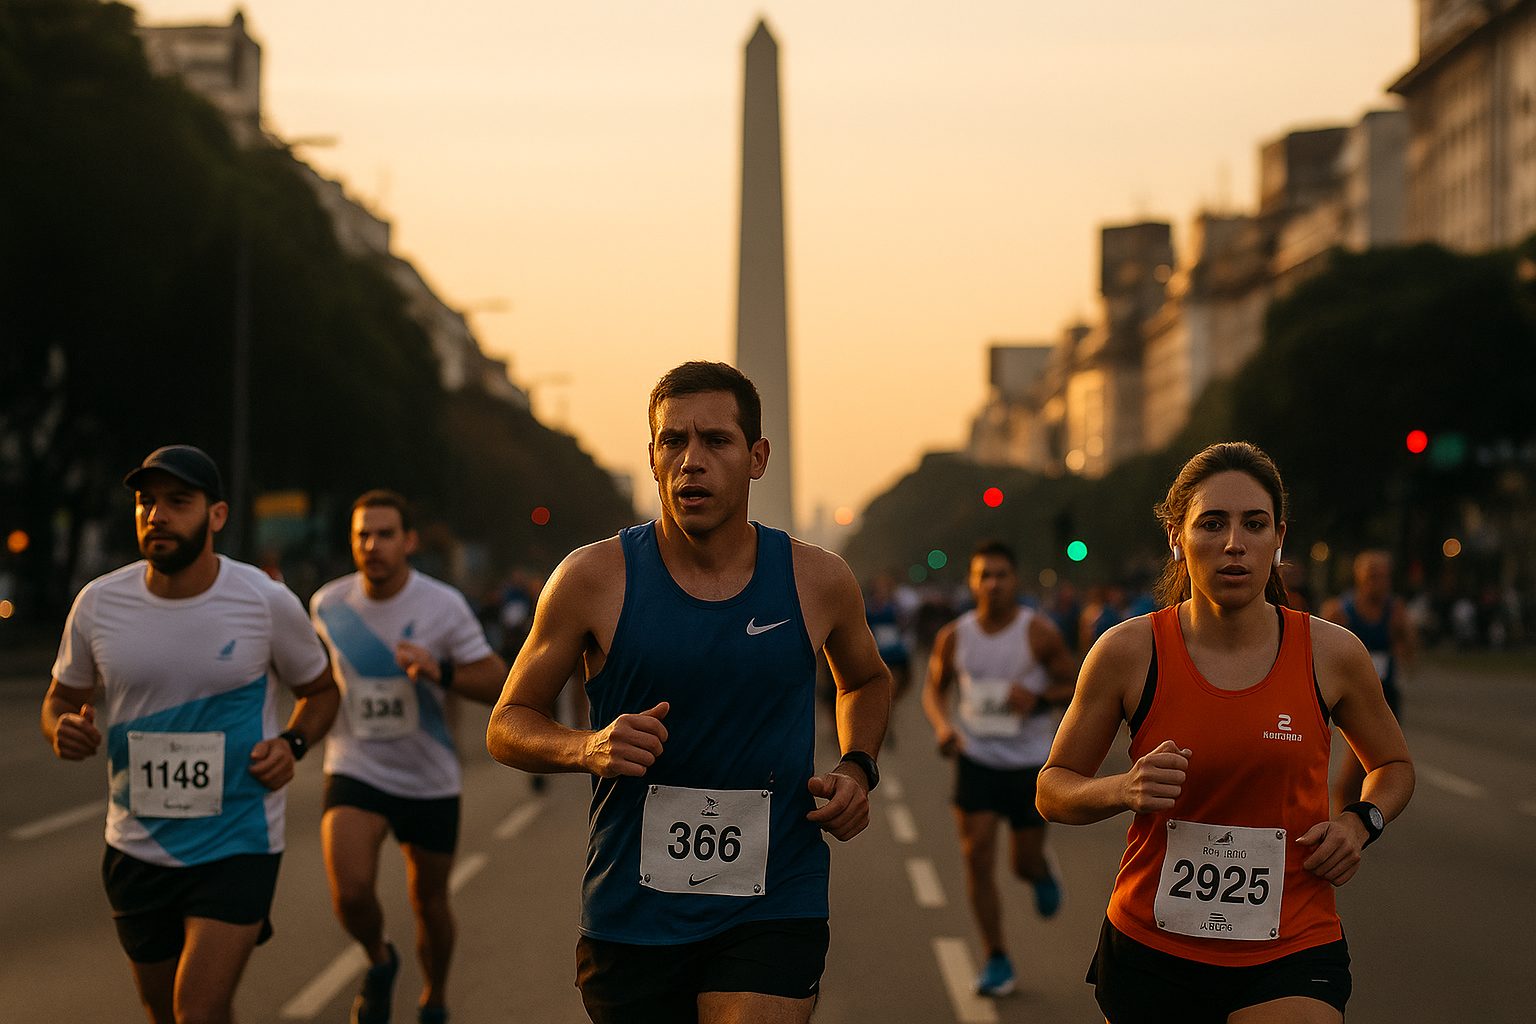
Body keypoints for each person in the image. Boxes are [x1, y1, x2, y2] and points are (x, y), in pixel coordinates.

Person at [486, 360, 892, 1024]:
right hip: (632, 911)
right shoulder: (592, 578)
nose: (691, 461)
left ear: (757, 456)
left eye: (716, 441)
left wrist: (857, 764)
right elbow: (507, 722)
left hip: (775, 898)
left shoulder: (818, 580)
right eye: (673, 441)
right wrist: (587, 746)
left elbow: (867, 679)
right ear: (651, 457)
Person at [1036, 442, 1414, 1024]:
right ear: (1176, 537)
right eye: (1212, 524)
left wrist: (1360, 823)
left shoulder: (1332, 653)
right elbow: (1052, 789)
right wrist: (1121, 789)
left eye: (1254, 524)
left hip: (1292, 945)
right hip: (1152, 950)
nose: (1234, 543)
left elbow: (1394, 767)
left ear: (1278, 537)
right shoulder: (1127, 652)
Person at [42, 445, 338, 1024]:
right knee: (166, 1013)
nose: (157, 515)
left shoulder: (266, 601)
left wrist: (293, 744)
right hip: (136, 845)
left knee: (196, 1010)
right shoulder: (99, 603)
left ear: (217, 515)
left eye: (178, 502)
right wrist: (61, 729)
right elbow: (61, 699)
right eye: (146, 502)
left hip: (238, 841)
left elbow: (322, 692)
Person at [310, 490, 509, 1024]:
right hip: (356, 765)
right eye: (362, 536)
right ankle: (379, 959)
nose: (372, 545)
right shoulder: (327, 606)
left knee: (430, 903)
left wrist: (441, 671)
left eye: (384, 534)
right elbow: (309, 683)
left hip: (428, 777)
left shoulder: (441, 605)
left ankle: (435, 998)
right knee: (351, 893)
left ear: (409, 541)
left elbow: (498, 683)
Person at [922, 540, 1079, 997]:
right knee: (977, 857)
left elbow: (1073, 684)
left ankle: (1040, 873)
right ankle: (996, 957)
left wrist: (1038, 699)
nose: (992, 583)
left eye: (1001, 574)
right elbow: (935, 690)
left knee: (1021, 863)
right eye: (983, 575)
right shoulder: (954, 635)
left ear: (1015, 580)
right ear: (971, 583)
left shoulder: (1039, 632)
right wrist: (943, 727)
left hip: (1030, 764)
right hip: (977, 759)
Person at [1319, 550, 1416, 813]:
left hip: (1385, 694)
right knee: (1357, 767)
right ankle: (1347, 818)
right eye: (1372, 576)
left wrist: (1403, 645)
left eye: (1383, 576)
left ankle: (1355, 818)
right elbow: (1314, 651)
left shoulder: (1395, 610)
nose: (1378, 582)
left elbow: (1410, 649)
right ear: (1359, 577)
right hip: (1350, 696)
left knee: (1380, 762)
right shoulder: (1339, 610)